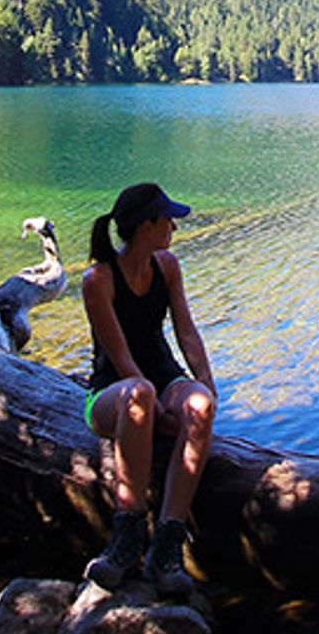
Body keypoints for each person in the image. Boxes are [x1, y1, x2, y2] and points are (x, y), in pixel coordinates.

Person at [80, 182, 217, 596]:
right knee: (138, 393)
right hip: (111, 394)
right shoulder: (98, 279)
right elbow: (120, 360)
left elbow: (186, 333)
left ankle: (167, 544)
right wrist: (156, 412)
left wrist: (206, 385)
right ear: (146, 226)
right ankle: (127, 536)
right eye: (167, 220)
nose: (174, 227)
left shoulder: (168, 266)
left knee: (200, 405)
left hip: (160, 377)